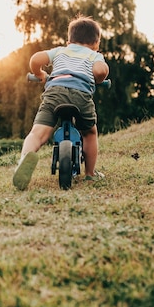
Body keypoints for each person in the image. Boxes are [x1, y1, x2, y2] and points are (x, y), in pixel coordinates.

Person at [12, 14, 109, 190]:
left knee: (37, 133)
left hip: (54, 92)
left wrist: (40, 74)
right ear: (97, 43)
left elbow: (35, 59)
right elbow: (101, 71)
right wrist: (99, 79)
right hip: (80, 95)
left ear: (68, 40)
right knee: (89, 133)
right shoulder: (94, 55)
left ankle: (24, 158)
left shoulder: (60, 51)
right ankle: (90, 174)